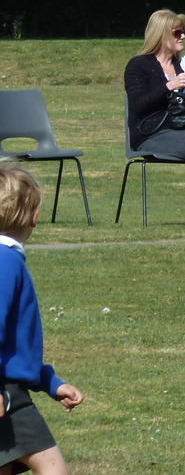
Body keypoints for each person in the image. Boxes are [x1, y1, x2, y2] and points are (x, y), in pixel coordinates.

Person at [0, 163, 84, 475]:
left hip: (8, 388)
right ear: (34, 215)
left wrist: (51, 382)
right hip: (7, 395)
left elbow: (15, 345)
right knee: (52, 466)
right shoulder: (5, 262)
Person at [124, 9, 185, 229]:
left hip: (181, 130)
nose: (183, 36)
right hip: (150, 134)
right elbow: (139, 105)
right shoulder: (138, 65)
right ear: (161, 34)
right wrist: (169, 86)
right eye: (177, 32)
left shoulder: (183, 65)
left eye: (183, 32)